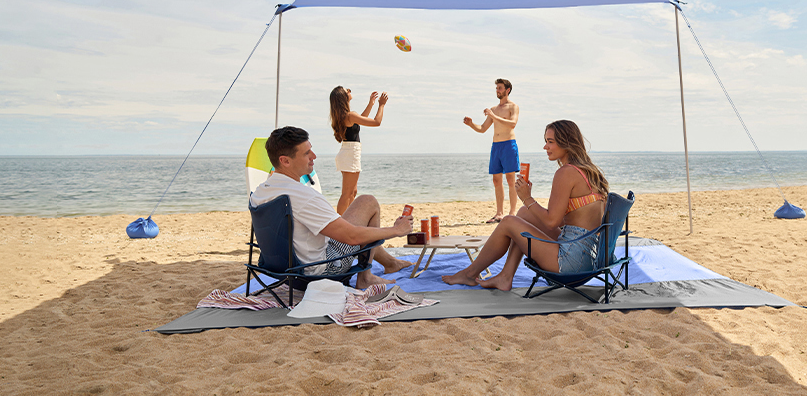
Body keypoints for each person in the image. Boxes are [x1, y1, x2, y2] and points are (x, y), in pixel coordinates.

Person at [442, 120, 607, 290]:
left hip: (572, 262)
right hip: (588, 257)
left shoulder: (566, 173)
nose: (545, 147)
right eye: (546, 141)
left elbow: (552, 222)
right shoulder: (588, 171)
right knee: (524, 214)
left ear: (567, 143)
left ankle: (469, 274)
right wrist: (528, 205)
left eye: (550, 142)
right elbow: (576, 219)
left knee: (508, 222)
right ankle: (505, 276)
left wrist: (527, 198)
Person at [251, 126, 413, 287]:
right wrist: (396, 230)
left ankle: (390, 263)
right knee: (368, 202)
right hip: (319, 271)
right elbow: (352, 237)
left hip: (282, 270)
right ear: (285, 160)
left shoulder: (260, 192)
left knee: (346, 221)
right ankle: (365, 278)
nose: (313, 156)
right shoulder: (303, 196)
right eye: (306, 153)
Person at [462, 78, 519, 223]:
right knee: (496, 180)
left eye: (500, 88)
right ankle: (499, 213)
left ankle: (512, 213)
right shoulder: (494, 109)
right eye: (496, 88)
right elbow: (482, 129)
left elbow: (512, 124)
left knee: (510, 180)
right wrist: (471, 124)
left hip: (509, 145)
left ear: (507, 90)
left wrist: (493, 116)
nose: (497, 91)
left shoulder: (513, 107)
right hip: (496, 146)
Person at [329, 86, 387, 214]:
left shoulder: (347, 115)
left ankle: (348, 219)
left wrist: (370, 104)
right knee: (347, 193)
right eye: (347, 90)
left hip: (349, 152)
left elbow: (359, 121)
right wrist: (381, 105)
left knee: (352, 192)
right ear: (343, 97)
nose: (350, 91)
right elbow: (376, 122)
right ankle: (341, 224)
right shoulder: (350, 115)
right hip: (350, 154)